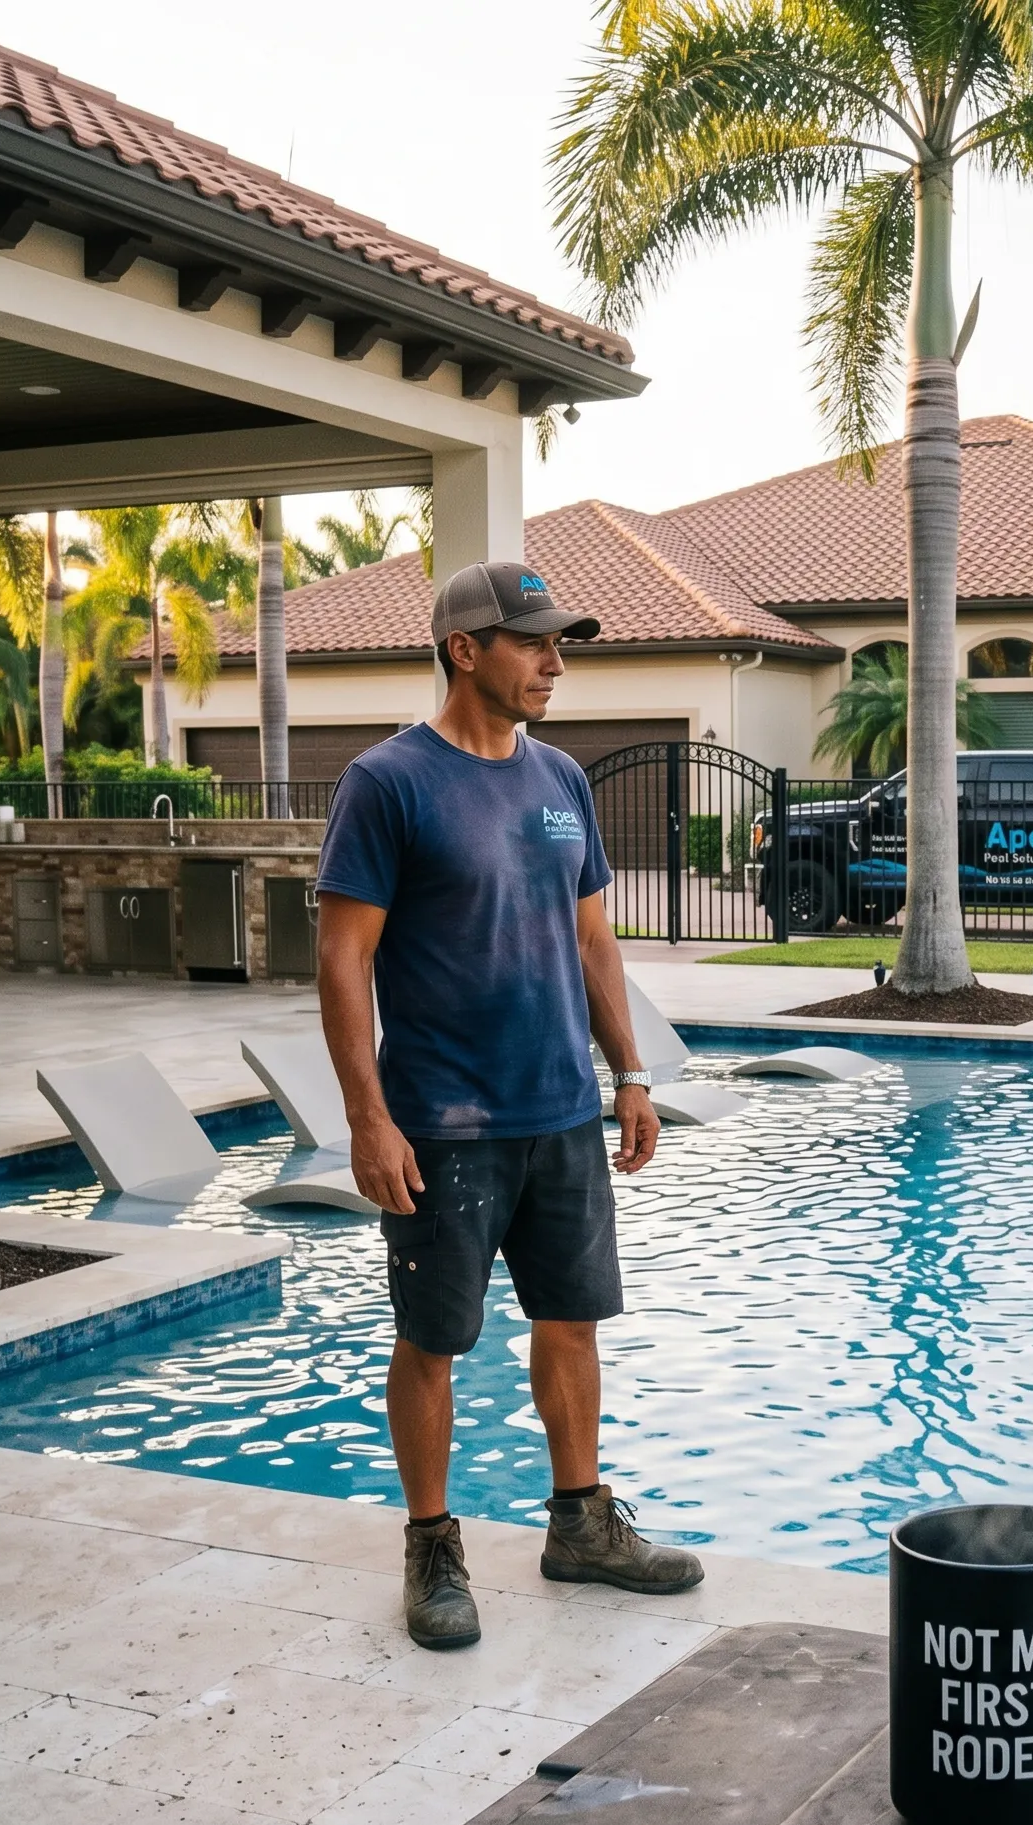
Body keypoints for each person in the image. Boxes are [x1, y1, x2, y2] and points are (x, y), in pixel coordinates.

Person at [315, 560, 702, 1655]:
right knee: (431, 1339)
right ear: (462, 647)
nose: (554, 661)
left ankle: (580, 1524)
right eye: (532, 642)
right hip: (441, 1119)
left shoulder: (560, 780)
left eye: (558, 641)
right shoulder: (387, 782)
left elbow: (590, 939)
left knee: (571, 1322)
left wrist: (627, 1072)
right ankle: (432, 1546)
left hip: (559, 1109)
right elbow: (343, 959)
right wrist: (367, 1116)